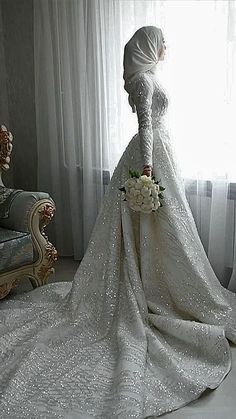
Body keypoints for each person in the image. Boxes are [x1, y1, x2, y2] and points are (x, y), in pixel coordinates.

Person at [0, 25, 236, 418]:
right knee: (149, 229)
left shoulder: (148, 78)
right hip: (148, 158)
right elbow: (145, 125)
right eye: (160, 41)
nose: (165, 47)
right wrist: (146, 172)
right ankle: (150, 290)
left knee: (167, 233)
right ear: (147, 46)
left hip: (160, 154)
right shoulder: (143, 81)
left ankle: (164, 287)